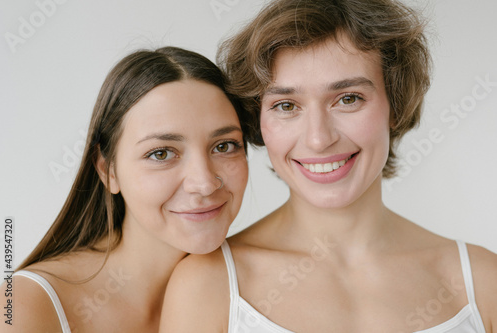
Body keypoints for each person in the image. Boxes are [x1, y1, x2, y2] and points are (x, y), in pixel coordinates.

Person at [159, 0, 497, 332]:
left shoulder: (482, 283)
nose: (319, 139)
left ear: (396, 105)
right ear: (258, 121)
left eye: (348, 98)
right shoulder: (207, 286)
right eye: (287, 105)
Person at [0, 46, 249, 332]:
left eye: (224, 146)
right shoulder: (24, 308)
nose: (204, 182)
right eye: (162, 154)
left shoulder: (252, 295)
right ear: (108, 170)